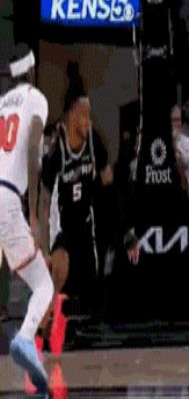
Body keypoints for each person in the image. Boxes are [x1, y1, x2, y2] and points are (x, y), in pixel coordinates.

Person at [41, 63, 112, 327]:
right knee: (59, 276)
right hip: (61, 227)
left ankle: (84, 327)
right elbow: (43, 201)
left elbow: (108, 183)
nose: (88, 121)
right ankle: (43, 327)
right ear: (71, 116)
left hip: (85, 224)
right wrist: (43, 243)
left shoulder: (94, 141)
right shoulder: (56, 151)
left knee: (92, 287)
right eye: (83, 115)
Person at [0, 44, 54, 393]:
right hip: (7, 198)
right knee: (43, 285)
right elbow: (33, 149)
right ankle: (25, 337)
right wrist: (33, 210)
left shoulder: (1, 104)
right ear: (32, 71)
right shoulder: (36, 100)